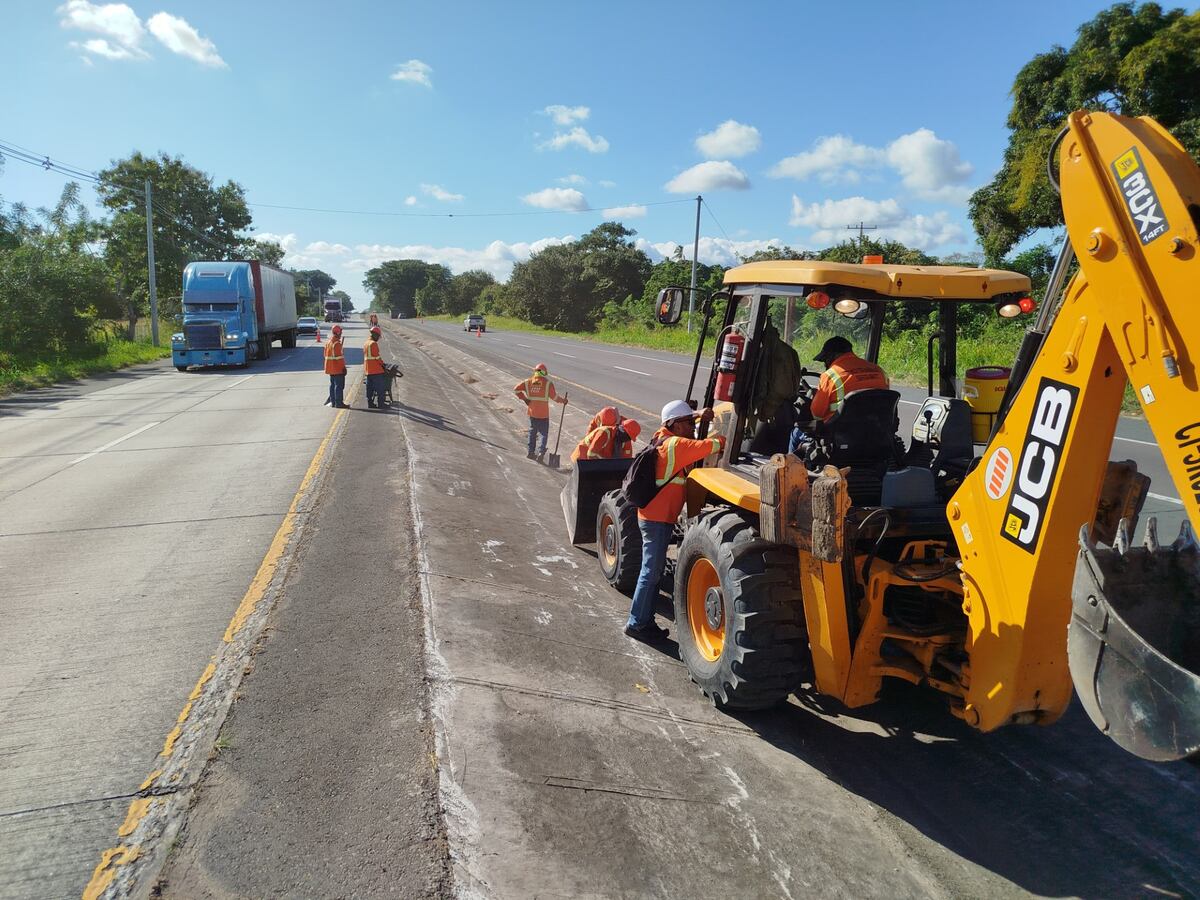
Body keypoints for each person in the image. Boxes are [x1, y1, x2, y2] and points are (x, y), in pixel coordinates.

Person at [626, 401, 726, 641]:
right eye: (689, 423)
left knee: (651, 571)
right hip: (657, 520)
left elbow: (680, 425)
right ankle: (637, 623)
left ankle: (642, 621)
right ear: (676, 425)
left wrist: (699, 415)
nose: (693, 427)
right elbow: (713, 445)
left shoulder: (661, 438)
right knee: (651, 573)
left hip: (653, 516)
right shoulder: (676, 445)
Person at [790, 336, 889, 454]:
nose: (826, 365)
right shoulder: (879, 371)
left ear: (832, 356)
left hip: (838, 438)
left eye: (825, 360)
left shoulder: (830, 376)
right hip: (875, 435)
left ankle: (789, 469)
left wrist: (816, 397)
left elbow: (817, 414)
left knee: (796, 433)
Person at [514, 363, 567, 461]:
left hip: (532, 413)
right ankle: (541, 453)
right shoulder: (548, 384)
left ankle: (530, 452)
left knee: (532, 432)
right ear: (544, 373)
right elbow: (555, 397)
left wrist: (525, 399)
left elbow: (516, 389)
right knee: (543, 434)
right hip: (543, 414)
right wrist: (564, 401)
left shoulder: (528, 382)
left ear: (535, 371)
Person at [570, 407, 642, 462]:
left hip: (599, 459)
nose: (628, 439)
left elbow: (626, 458)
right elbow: (591, 455)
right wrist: (606, 465)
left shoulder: (625, 438)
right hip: (582, 459)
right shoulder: (604, 432)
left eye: (629, 437)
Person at [323, 324, 347, 408]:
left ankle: (333, 402)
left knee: (332, 385)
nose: (341, 334)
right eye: (340, 332)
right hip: (337, 368)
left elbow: (325, 355)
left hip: (330, 368)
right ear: (338, 332)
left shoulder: (329, 342)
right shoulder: (336, 344)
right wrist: (343, 368)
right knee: (339, 386)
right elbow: (339, 358)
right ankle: (339, 403)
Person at [364, 325, 387, 408]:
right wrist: (383, 364)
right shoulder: (373, 344)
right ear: (375, 334)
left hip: (368, 370)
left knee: (369, 388)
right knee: (380, 388)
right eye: (378, 336)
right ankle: (381, 404)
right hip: (376, 370)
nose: (378, 338)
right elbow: (377, 357)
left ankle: (370, 403)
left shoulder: (366, 343)